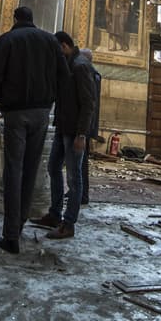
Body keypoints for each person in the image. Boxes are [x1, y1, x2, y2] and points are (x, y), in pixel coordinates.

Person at [0, 6, 69, 254]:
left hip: (15, 112)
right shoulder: (49, 40)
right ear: (32, 20)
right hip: (42, 112)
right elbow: (64, 75)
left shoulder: (7, 39)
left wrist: (1, 100)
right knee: (32, 169)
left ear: (15, 19)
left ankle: (11, 235)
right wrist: (50, 99)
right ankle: (20, 224)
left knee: (13, 169)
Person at [31, 32, 98, 240]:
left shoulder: (80, 66)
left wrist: (81, 134)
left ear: (64, 46)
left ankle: (68, 225)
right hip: (62, 127)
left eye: (56, 50)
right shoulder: (68, 64)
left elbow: (88, 103)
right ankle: (54, 214)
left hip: (74, 131)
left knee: (74, 178)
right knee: (53, 168)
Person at [79, 47, 102, 205]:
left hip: (84, 125)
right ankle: (78, 191)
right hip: (87, 124)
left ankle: (82, 194)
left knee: (81, 161)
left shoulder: (90, 75)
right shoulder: (94, 74)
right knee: (80, 161)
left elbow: (88, 104)